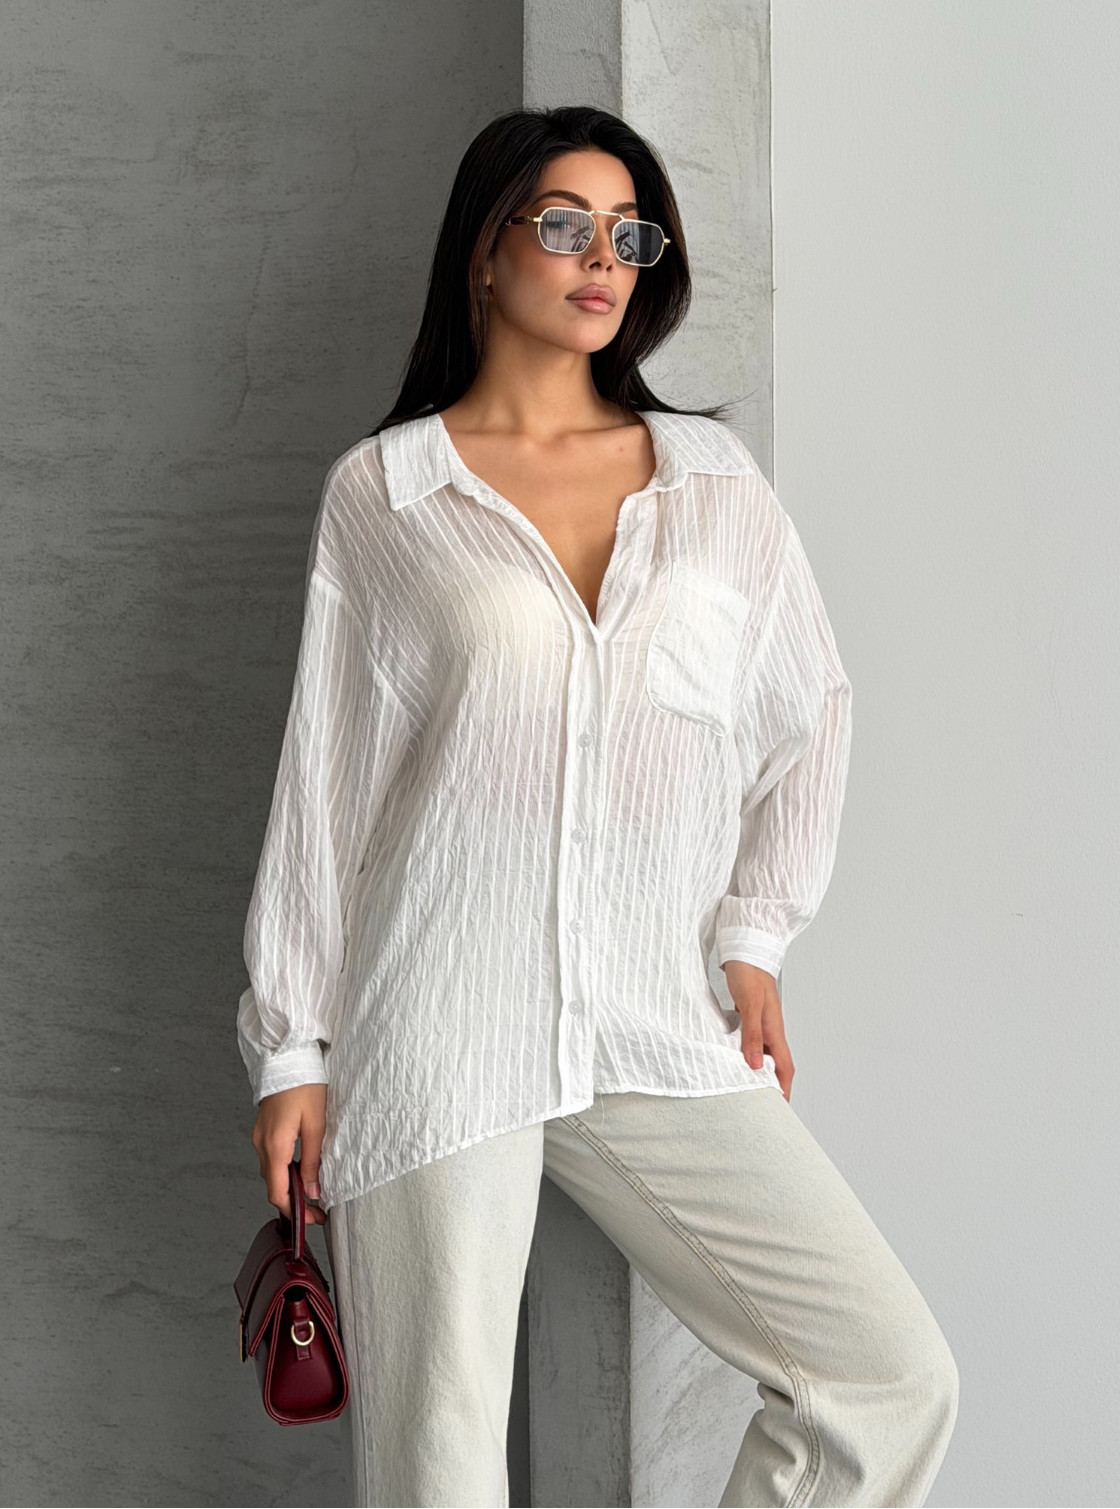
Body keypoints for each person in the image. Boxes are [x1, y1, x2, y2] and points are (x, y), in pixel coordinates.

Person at [236, 105, 959, 1508]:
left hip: (649, 1001)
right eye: (565, 224)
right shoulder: (387, 495)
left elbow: (809, 709)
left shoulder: (714, 485)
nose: (602, 260)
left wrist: (755, 932)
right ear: (484, 250)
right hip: (441, 1008)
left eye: (630, 236)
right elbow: (326, 786)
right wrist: (292, 1053)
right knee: (440, 1462)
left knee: (883, 1378)